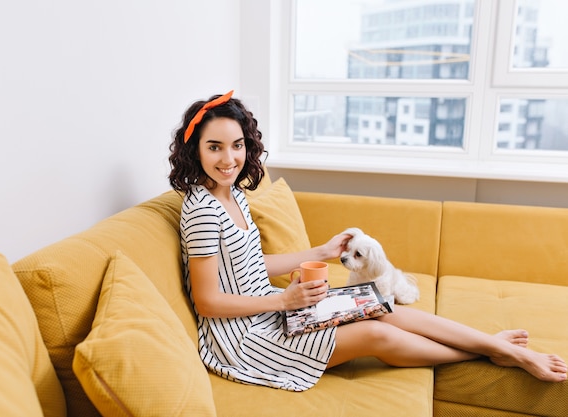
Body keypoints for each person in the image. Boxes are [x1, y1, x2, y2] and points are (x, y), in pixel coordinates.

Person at [168, 90, 567, 391]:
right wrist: (283, 300)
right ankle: (499, 351)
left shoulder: (233, 193)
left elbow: (250, 266)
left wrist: (321, 253)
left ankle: (490, 344)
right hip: (245, 339)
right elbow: (207, 301)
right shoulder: (202, 211)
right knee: (376, 332)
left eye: (236, 145)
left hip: (270, 313)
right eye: (214, 147)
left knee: (377, 304)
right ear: (195, 149)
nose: (228, 159)